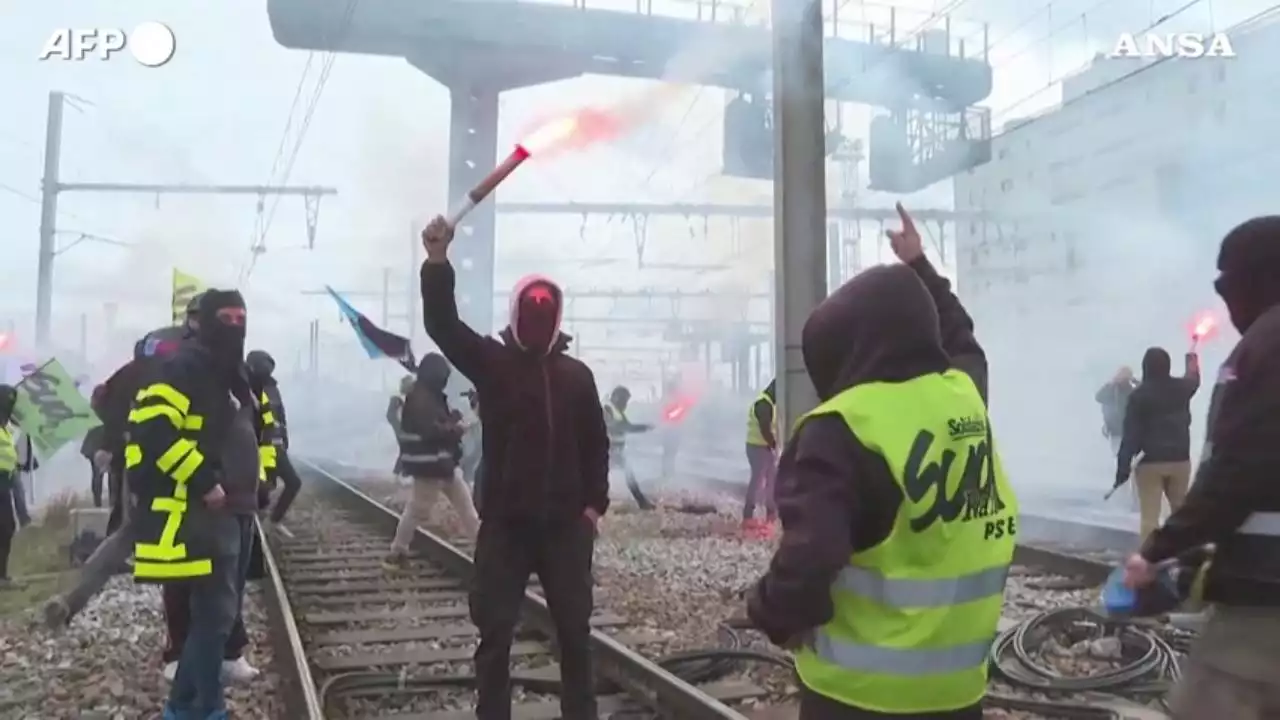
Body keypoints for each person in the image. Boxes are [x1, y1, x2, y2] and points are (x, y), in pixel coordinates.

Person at [748, 203, 1018, 720]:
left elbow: (811, 557)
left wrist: (767, 610)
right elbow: (961, 336)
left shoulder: (838, 429)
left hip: (857, 696)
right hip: (958, 693)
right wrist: (920, 267)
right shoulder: (964, 394)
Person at [420, 215, 609, 720]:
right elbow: (442, 325)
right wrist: (438, 261)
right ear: (517, 311)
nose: (539, 316)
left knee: (574, 635)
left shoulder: (577, 377)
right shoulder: (492, 362)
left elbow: (597, 444)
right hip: (506, 525)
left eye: (547, 309)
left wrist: (593, 508)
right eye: (533, 307)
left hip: (566, 529)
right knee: (495, 633)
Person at [1123, 215, 1280, 718]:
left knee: (1211, 699)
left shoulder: (1264, 348)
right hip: (1182, 465)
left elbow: (1238, 472)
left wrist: (1161, 550)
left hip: (1264, 601)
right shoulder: (1183, 383)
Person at [128, 289, 260, 720]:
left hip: (235, 510)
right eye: (226, 317)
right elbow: (153, 431)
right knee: (214, 616)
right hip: (200, 511)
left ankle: (204, 705)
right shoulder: (183, 367)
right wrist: (204, 481)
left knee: (217, 616)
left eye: (241, 316)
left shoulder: (230, 373)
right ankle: (187, 707)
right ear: (202, 321)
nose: (235, 325)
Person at [41, 321, 191, 629]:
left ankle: (71, 601)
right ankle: (181, 628)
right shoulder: (163, 374)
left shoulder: (127, 374)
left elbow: (105, 409)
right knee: (148, 536)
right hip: (164, 471)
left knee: (126, 533)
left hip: (136, 468)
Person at [383, 353, 479, 568]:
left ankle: (486, 554)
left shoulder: (427, 395)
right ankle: (397, 553)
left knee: (467, 509)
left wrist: (452, 420)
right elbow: (431, 431)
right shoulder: (420, 399)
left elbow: (437, 423)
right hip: (430, 467)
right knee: (418, 509)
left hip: (443, 464)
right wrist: (457, 429)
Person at [1114, 346, 1200, 541]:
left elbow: (1131, 435)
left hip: (1149, 462)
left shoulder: (1138, 396)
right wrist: (1192, 357)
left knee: (1150, 518)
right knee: (1180, 512)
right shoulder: (1181, 388)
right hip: (1180, 460)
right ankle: (1182, 555)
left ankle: (1148, 562)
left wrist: (1122, 468)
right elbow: (1194, 379)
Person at [246, 350, 301, 524]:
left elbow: (280, 417)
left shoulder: (272, 388)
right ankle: (256, 527)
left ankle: (273, 521)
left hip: (276, 447)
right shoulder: (249, 388)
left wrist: (284, 440)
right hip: (259, 448)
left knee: (293, 483)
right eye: (263, 364)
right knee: (261, 491)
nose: (267, 369)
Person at [603, 385, 655, 510]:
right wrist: (642, 428)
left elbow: (627, 426)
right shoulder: (607, 409)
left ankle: (642, 502)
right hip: (607, 450)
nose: (625, 403)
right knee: (602, 478)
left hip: (615, 451)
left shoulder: (617, 411)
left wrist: (645, 427)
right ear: (616, 397)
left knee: (628, 475)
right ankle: (642, 502)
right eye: (624, 400)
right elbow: (613, 426)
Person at [744, 379, 779, 537]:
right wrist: (774, 444)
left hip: (761, 447)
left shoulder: (769, 404)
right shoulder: (763, 404)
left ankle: (771, 514)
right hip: (757, 447)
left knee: (771, 479)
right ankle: (748, 516)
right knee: (758, 481)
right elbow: (765, 429)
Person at [0, 385, 19, 588]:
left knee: (7, 527)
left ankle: (2, 575)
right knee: (5, 527)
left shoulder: (5, 427)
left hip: (5, 481)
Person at [1096, 366, 1137, 455]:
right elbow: (1098, 397)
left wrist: (1135, 381)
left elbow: (1144, 390)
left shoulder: (1132, 390)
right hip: (1116, 430)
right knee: (1118, 454)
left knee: (1130, 455)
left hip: (1130, 430)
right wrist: (1112, 384)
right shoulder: (1112, 390)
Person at [81, 384, 108, 508]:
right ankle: (111, 503)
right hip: (104, 442)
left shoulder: (93, 408)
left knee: (97, 474)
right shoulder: (108, 409)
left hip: (93, 443)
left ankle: (98, 503)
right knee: (111, 474)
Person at [387, 375, 415, 479]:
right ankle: (398, 474)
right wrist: (399, 429)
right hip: (401, 429)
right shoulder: (398, 397)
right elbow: (390, 415)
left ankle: (402, 474)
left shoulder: (406, 397)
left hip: (405, 428)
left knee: (408, 449)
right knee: (406, 449)